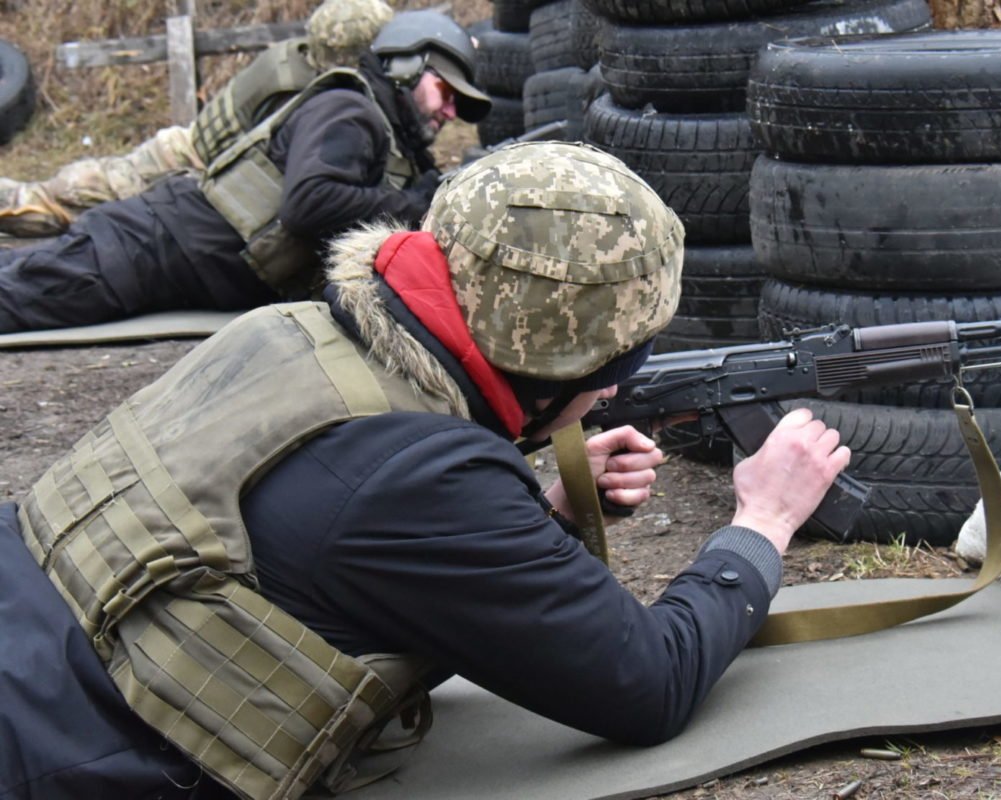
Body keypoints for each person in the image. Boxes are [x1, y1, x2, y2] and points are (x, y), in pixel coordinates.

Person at [0, 142, 851, 799]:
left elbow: (320, 541)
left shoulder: (286, 330)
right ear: (571, 363)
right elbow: (650, 684)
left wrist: (534, 514)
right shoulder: (429, 485)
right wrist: (762, 523)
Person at [0, 8, 492, 333]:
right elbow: (311, 204)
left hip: (167, 258)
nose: (449, 112)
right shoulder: (350, 109)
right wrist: (416, 201)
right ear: (405, 65)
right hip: (144, 250)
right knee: (17, 303)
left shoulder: (383, 135)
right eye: (446, 93)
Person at [0, 0, 396, 238]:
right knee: (57, 208)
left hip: (182, 154)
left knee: (68, 198)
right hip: (179, 164)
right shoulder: (306, 90)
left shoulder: (298, 57)